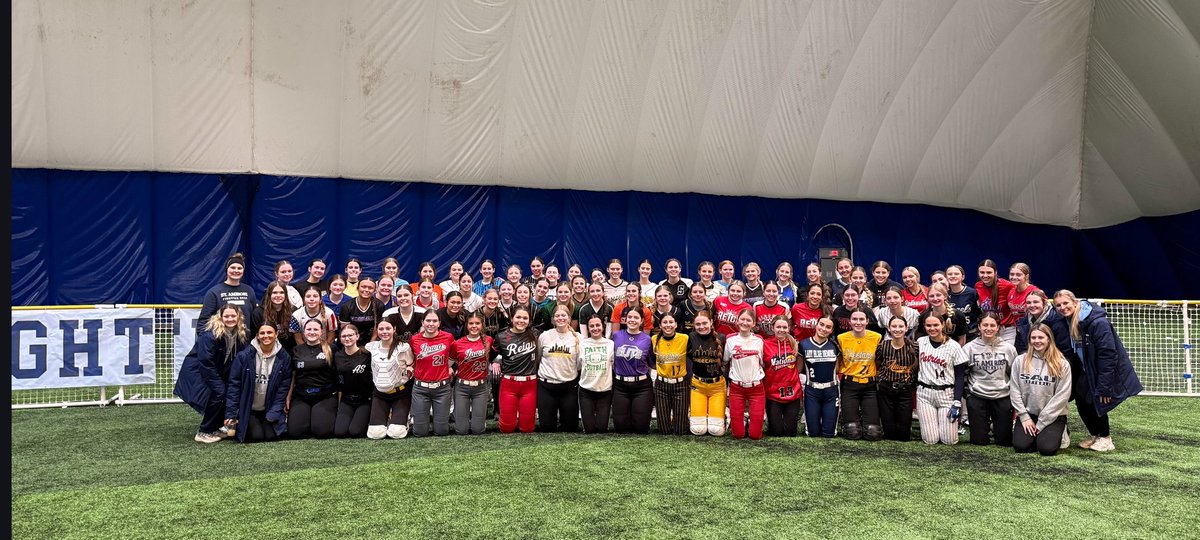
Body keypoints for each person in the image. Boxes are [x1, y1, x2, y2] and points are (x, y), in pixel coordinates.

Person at [1051, 290, 1143, 452]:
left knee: (1095, 400)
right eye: (1058, 305)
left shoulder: (1097, 322)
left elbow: (1108, 354)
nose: (1062, 307)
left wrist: (1104, 386)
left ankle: (1106, 438)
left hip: (1103, 369)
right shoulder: (1067, 320)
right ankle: (1095, 434)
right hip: (1086, 368)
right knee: (1081, 399)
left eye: (1066, 303)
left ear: (1075, 302)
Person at [175, 304, 251, 443]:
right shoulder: (210, 334)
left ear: (238, 317)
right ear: (220, 317)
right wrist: (218, 383)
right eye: (226, 316)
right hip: (198, 371)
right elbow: (205, 362)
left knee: (226, 393)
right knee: (219, 393)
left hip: (217, 371)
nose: (230, 319)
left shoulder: (241, 333)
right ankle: (204, 431)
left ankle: (217, 427)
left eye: (233, 316)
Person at [223, 323, 292, 443]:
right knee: (256, 437)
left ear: (276, 334)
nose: (266, 336)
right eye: (262, 333)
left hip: (269, 408)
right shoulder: (244, 356)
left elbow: (283, 389)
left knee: (272, 436)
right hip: (249, 409)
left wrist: (274, 412)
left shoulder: (284, 357)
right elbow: (234, 386)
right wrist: (231, 414)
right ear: (257, 336)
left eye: (270, 332)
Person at [1010, 324, 1073, 456]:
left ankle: (1062, 431)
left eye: (1041, 337)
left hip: (1053, 415)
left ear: (1049, 339)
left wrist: (1042, 422)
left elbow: (1062, 396)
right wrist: (1024, 417)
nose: (1037, 341)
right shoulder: (1020, 361)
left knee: (1047, 449)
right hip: (1029, 413)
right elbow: (1014, 390)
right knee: (1021, 446)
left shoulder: (1061, 364)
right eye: (1033, 338)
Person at [963, 314, 1017, 446]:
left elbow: (1014, 374)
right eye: (985, 325)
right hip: (978, 395)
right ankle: (984, 425)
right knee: (978, 441)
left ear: (998, 327)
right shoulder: (969, 348)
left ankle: (997, 426)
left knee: (1004, 441)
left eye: (992, 325)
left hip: (1002, 395)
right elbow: (963, 374)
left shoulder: (1008, 348)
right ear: (979, 327)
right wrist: (968, 395)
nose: (989, 328)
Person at [915, 313, 969, 445]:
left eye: (936, 325)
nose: (932, 328)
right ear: (924, 326)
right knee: (930, 440)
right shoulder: (921, 342)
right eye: (928, 325)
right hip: (924, 394)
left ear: (943, 325)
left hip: (947, 395)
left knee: (949, 440)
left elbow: (960, 376)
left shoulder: (953, 345)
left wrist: (957, 401)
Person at [491, 306, 541, 433]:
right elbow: (493, 355)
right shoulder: (501, 337)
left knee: (527, 429)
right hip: (509, 383)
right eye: (518, 317)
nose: (521, 320)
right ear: (512, 318)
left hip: (530, 383)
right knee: (506, 428)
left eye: (525, 318)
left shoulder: (536, 334)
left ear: (529, 321)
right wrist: (496, 361)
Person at [836, 308, 883, 441]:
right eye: (855, 319)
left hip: (870, 385)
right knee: (852, 433)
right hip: (849, 385)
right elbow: (839, 362)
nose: (858, 322)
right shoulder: (841, 338)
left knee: (873, 433)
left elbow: (879, 361)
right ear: (849, 322)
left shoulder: (876, 337)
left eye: (861, 319)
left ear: (867, 321)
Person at [287, 319, 339, 439]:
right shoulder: (296, 350)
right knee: (295, 433)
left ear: (321, 332)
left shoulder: (332, 349)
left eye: (315, 329)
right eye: (309, 329)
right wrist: (288, 397)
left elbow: (338, 374)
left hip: (325, 395)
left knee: (322, 433)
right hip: (302, 396)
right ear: (304, 332)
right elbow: (293, 375)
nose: (312, 332)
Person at [409, 310, 456, 437]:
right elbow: (411, 359)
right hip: (420, 388)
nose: (431, 324)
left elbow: (453, 355)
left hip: (442, 388)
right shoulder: (414, 339)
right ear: (422, 322)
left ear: (439, 323)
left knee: (441, 431)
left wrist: (449, 367)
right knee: (419, 432)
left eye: (434, 321)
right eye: (428, 321)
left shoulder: (448, 337)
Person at [365, 319, 415, 439]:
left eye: (388, 328)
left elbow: (412, 364)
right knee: (375, 434)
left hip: (400, 393)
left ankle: (406, 418)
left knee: (396, 433)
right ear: (377, 331)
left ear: (394, 329)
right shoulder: (371, 347)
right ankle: (386, 418)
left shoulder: (403, 348)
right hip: (380, 394)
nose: (384, 331)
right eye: (381, 329)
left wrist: (408, 373)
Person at [537, 304, 582, 432]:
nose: (560, 318)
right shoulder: (544, 336)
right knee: (547, 428)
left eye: (564, 315)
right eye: (557, 315)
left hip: (568, 387)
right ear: (553, 319)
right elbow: (539, 358)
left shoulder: (578, 338)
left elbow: (579, 364)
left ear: (569, 318)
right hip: (547, 386)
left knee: (570, 428)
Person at [611, 309, 655, 434]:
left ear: (641, 321)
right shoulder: (616, 336)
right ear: (624, 320)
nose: (632, 320)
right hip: (620, 386)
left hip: (641, 387)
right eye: (630, 317)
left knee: (641, 429)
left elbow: (652, 363)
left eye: (636, 318)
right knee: (620, 429)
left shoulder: (647, 339)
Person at [874, 317, 919, 441]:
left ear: (906, 328)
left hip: (905, 390)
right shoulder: (883, 346)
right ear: (889, 328)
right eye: (894, 326)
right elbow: (877, 364)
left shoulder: (914, 347)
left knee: (903, 435)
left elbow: (918, 366)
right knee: (889, 434)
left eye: (900, 326)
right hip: (886, 389)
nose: (897, 329)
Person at [726, 308, 766, 440]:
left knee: (755, 435)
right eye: (742, 319)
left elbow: (763, 362)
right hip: (737, 388)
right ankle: (742, 421)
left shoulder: (759, 340)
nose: (745, 322)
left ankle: (751, 421)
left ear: (753, 323)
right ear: (737, 321)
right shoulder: (730, 339)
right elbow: (726, 360)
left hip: (756, 388)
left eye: (748, 320)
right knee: (738, 434)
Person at [451, 313, 493, 435]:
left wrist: (496, 362)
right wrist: (450, 369)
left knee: (478, 430)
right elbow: (450, 362)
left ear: (482, 325)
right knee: (461, 430)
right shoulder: (457, 343)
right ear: (467, 325)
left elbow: (495, 356)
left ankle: (479, 422)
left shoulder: (488, 340)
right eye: (471, 323)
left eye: (477, 323)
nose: (474, 326)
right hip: (462, 386)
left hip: (481, 387)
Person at [687, 311, 727, 436]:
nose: (701, 326)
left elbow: (727, 362)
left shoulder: (721, 338)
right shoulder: (691, 337)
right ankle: (693, 413)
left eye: (704, 323)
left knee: (716, 431)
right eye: (698, 324)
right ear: (694, 325)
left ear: (711, 322)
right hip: (698, 386)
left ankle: (726, 416)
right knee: (698, 430)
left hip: (717, 386)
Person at [800, 316, 839, 437]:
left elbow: (838, 369)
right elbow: (798, 369)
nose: (823, 328)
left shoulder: (835, 345)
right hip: (812, 390)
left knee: (829, 433)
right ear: (816, 325)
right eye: (821, 324)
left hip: (831, 391)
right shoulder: (803, 344)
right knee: (812, 433)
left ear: (832, 330)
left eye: (828, 327)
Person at [763, 316, 802, 437]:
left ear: (789, 328)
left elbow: (799, 366)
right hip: (773, 394)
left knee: (791, 433)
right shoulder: (765, 344)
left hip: (792, 393)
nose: (781, 330)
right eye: (778, 327)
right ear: (772, 328)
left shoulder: (794, 344)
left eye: (784, 327)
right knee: (776, 432)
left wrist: (792, 377)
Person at [652, 313, 690, 435]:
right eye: (665, 322)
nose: (668, 325)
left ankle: (682, 420)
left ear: (676, 324)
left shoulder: (684, 338)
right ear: (660, 325)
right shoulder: (654, 340)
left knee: (680, 430)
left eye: (671, 322)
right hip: (661, 386)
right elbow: (651, 360)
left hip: (680, 384)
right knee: (664, 430)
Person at [578, 314, 616, 433]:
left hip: (604, 391)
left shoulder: (610, 344)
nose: (595, 328)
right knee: (589, 429)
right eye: (592, 326)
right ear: (588, 328)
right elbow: (578, 365)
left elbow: (614, 365)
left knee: (602, 429)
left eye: (598, 325)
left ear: (603, 327)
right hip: (586, 390)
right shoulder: (582, 344)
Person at [333, 324, 372, 438]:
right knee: (340, 432)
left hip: (365, 400)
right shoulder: (337, 356)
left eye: (350, 335)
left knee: (355, 432)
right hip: (347, 399)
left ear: (357, 336)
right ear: (340, 339)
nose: (347, 338)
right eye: (344, 336)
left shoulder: (367, 355)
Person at [198, 253, 256, 324]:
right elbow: (203, 321)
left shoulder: (249, 291)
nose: (236, 270)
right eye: (233, 267)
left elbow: (254, 319)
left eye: (239, 268)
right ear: (227, 269)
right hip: (221, 335)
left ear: (243, 271)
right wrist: (209, 335)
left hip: (245, 334)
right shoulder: (214, 292)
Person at [250, 280, 297, 354]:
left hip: (289, 353)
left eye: (281, 292)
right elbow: (255, 338)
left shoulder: (294, 311)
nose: (278, 295)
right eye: (274, 292)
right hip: (265, 353)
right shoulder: (258, 313)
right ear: (269, 294)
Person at [976, 259, 1015, 344]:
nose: (985, 275)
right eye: (982, 272)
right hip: (988, 329)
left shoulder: (1007, 286)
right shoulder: (978, 286)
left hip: (1007, 330)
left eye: (989, 272)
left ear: (995, 273)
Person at [338, 277, 383, 347]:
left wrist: (370, 346)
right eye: (363, 287)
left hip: (371, 343)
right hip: (350, 342)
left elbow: (378, 328)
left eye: (370, 288)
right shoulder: (347, 306)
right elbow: (345, 331)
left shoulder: (379, 306)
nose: (366, 290)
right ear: (358, 288)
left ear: (375, 290)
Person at [945, 265, 981, 342]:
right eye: (950, 274)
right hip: (952, 337)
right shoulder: (944, 295)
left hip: (971, 336)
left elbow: (980, 314)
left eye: (956, 274)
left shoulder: (972, 293)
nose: (953, 276)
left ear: (963, 277)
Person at [1015, 290, 1057, 354]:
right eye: (1029, 303)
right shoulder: (1022, 322)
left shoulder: (1056, 320)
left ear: (1044, 303)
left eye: (1036, 302)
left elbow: (1064, 349)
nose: (1032, 305)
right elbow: (1021, 349)